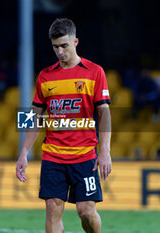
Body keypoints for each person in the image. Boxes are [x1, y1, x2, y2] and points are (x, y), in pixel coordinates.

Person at [16, 18, 112, 233]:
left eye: (64, 46)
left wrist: (104, 150)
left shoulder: (95, 72)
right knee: (52, 207)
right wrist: (24, 152)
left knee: (86, 211)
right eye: (55, 47)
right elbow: (35, 116)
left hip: (85, 155)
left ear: (75, 42)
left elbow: (104, 113)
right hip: (53, 155)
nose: (60, 52)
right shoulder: (45, 76)